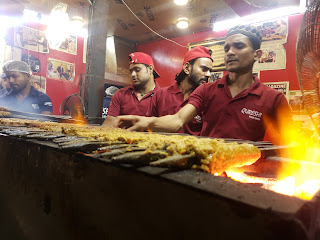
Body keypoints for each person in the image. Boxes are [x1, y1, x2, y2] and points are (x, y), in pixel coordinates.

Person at [116, 25, 292, 142]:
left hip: (246, 177)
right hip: (208, 172)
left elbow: (287, 146)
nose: (230, 52)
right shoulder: (207, 91)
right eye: (226, 48)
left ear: (257, 55)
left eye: (238, 46)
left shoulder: (274, 99)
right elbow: (178, 120)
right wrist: (145, 122)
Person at [147, 46, 213, 135]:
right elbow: (148, 128)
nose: (208, 74)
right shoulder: (160, 95)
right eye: (204, 69)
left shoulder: (206, 101)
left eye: (210, 70)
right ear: (187, 68)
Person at [102, 52, 161, 127]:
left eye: (137, 70)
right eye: (131, 71)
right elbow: (109, 123)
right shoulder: (120, 94)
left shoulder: (162, 96)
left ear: (150, 69)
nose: (133, 74)